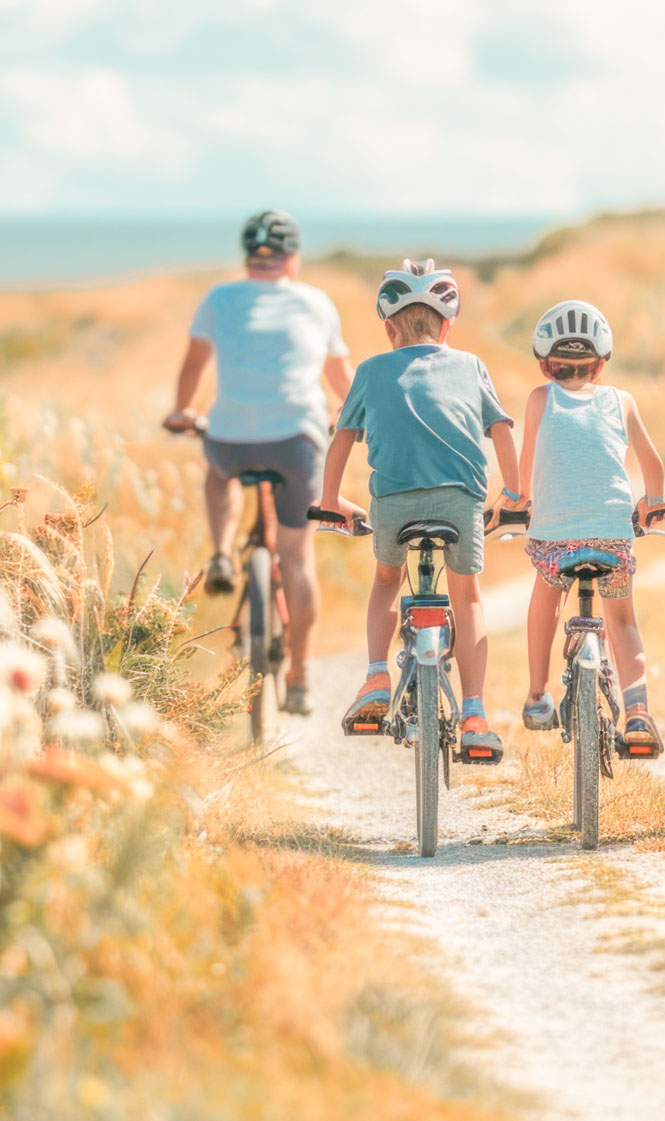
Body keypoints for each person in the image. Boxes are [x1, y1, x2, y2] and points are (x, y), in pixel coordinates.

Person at [317, 260, 521, 761]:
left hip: (393, 498)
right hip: (460, 498)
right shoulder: (471, 366)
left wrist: (328, 501)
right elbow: (501, 431)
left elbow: (342, 438)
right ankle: (474, 711)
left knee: (387, 581)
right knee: (467, 596)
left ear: (388, 328)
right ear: (447, 325)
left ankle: (376, 676)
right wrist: (515, 495)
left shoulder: (368, 370)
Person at [165, 210, 351, 716]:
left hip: (230, 438)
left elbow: (193, 365)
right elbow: (341, 382)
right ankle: (300, 680)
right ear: (292, 259)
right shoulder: (315, 301)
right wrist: (354, 418)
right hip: (296, 440)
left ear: (249, 258)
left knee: (219, 472)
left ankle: (223, 551)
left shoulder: (219, 299)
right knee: (297, 559)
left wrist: (183, 412)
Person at [515, 300, 665, 752]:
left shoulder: (538, 400)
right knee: (621, 620)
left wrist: (518, 503)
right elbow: (653, 466)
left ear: (546, 366)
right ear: (601, 365)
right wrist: (653, 503)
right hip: (612, 540)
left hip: (554, 544)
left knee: (546, 599)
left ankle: (538, 695)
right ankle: (639, 713)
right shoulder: (622, 401)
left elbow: (526, 475)